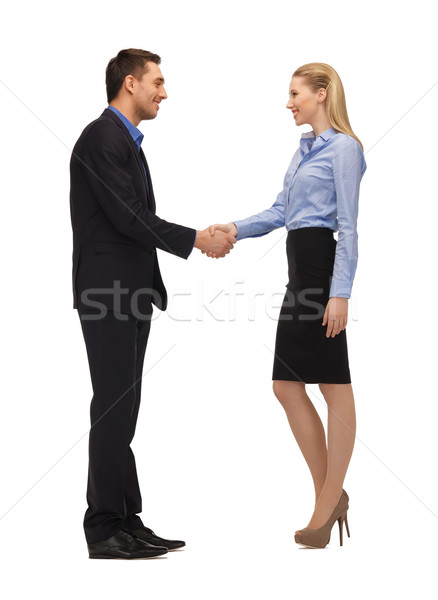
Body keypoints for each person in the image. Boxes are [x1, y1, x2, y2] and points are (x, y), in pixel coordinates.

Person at [69, 48, 236, 559]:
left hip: (129, 292)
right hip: (108, 292)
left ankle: (125, 517)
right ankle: (102, 529)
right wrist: (196, 240)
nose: (164, 92)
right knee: (113, 408)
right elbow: (129, 216)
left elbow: (132, 216)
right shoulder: (102, 137)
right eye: (157, 82)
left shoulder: (126, 142)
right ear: (129, 83)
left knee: (125, 409)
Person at [207, 62, 367, 549]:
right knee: (286, 384)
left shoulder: (345, 149)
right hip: (300, 274)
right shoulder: (301, 153)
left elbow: (349, 226)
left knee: (333, 384)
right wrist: (235, 227)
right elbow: (281, 212)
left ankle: (326, 500)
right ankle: (330, 496)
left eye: (296, 93)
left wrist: (340, 293)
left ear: (322, 94)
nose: (289, 102)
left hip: (321, 273)